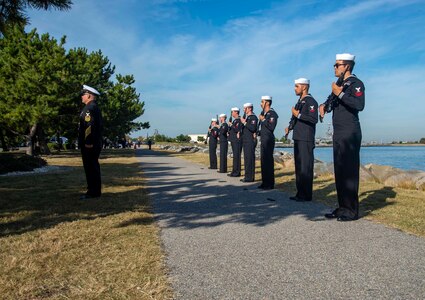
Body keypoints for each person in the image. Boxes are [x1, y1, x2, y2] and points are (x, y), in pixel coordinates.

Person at [319, 53, 365, 221]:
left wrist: (340, 94)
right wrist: (323, 106)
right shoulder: (339, 85)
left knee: (349, 171)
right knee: (340, 171)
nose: (334, 67)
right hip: (338, 132)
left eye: (337, 65)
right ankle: (342, 207)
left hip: (350, 131)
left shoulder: (356, 84)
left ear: (346, 66)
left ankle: (352, 211)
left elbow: (359, 105)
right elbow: (330, 102)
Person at [285, 78, 318, 202]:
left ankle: (306, 194)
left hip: (306, 138)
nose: (295, 88)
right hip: (298, 137)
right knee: (299, 167)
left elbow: (313, 119)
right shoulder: (300, 101)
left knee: (305, 167)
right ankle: (300, 193)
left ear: (304, 87)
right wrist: (289, 127)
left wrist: (297, 114)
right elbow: (295, 119)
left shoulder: (310, 101)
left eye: (296, 86)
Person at [78, 84, 103, 199]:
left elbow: (89, 126)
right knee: (92, 166)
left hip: (90, 144)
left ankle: (93, 192)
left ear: (88, 95)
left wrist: (88, 141)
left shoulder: (89, 108)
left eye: (83, 94)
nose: (81, 97)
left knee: (91, 167)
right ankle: (94, 190)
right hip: (94, 142)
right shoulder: (93, 107)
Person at [258, 95, 278, 190]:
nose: (261, 104)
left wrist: (264, 120)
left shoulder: (272, 114)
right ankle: (265, 182)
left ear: (267, 103)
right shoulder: (265, 114)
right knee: (263, 161)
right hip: (263, 139)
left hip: (269, 140)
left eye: (262, 102)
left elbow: (271, 127)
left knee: (268, 161)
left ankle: (270, 183)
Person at [240, 103, 258, 183]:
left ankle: (250, 177)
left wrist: (244, 123)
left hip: (250, 140)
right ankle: (247, 176)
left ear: (249, 109)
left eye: (245, 108)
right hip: (246, 140)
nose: (244, 110)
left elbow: (253, 128)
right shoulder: (248, 118)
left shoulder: (253, 117)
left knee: (250, 159)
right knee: (246, 159)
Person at [228, 107, 243, 177]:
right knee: (235, 156)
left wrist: (231, 125)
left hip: (237, 141)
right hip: (233, 140)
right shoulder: (235, 121)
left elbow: (237, 129)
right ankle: (234, 171)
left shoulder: (239, 120)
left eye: (232, 112)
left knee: (237, 156)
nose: (232, 113)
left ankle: (237, 172)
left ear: (236, 112)